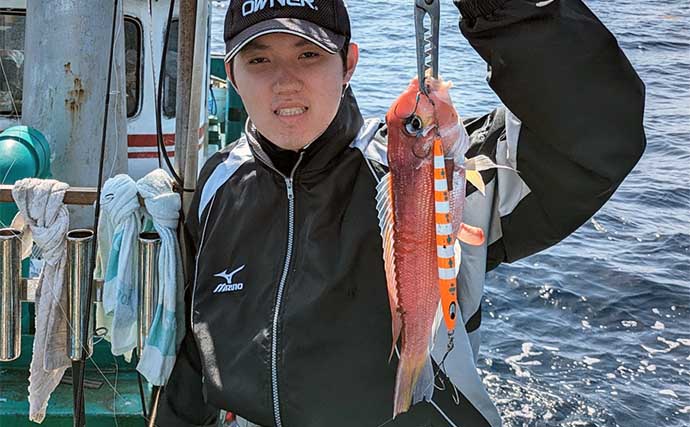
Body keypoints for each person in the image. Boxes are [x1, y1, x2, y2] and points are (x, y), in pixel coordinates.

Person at [156, 0, 646, 426]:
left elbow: (596, 139)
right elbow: (197, 358)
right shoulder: (219, 183)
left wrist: (499, 8)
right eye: (259, 59)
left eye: (308, 54)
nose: (285, 82)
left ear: (348, 64)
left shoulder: (423, 167)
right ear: (233, 75)